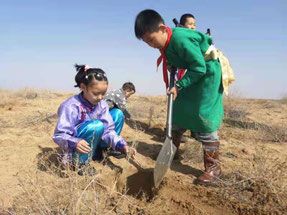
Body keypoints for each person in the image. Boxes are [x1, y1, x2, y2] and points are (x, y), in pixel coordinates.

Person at [134, 9, 224, 185]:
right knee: (179, 109)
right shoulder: (165, 42)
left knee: (202, 114)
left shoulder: (181, 39)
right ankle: (171, 152)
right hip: (193, 74)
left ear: (161, 28)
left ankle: (214, 168)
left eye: (151, 39)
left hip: (207, 76)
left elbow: (199, 68)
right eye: (146, 42)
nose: (151, 45)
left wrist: (179, 85)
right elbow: (178, 61)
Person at [53, 64, 135, 176]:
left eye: (103, 94)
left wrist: (122, 145)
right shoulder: (71, 106)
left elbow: (109, 130)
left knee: (117, 113)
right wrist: (75, 142)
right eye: (96, 93)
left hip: (92, 142)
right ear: (83, 87)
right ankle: (79, 163)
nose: (101, 97)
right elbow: (59, 135)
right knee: (96, 125)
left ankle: (101, 151)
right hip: (76, 148)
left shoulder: (102, 105)